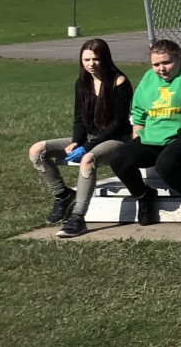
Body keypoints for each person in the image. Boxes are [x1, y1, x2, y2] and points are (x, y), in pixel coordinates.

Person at [29, 38, 133, 239]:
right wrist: (77, 141)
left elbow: (119, 124)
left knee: (87, 160)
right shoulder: (82, 83)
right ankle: (63, 195)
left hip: (116, 139)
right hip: (89, 138)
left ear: (105, 59)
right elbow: (79, 118)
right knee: (37, 150)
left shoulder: (119, 82)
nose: (91, 64)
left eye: (96, 59)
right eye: (86, 59)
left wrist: (87, 147)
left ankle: (78, 218)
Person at [111, 39, 181, 228]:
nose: (162, 69)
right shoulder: (148, 78)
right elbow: (139, 114)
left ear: (179, 57)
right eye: (156, 64)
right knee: (119, 158)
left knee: (166, 163)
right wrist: (137, 144)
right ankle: (144, 196)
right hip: (155, 136)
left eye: (166, 63)